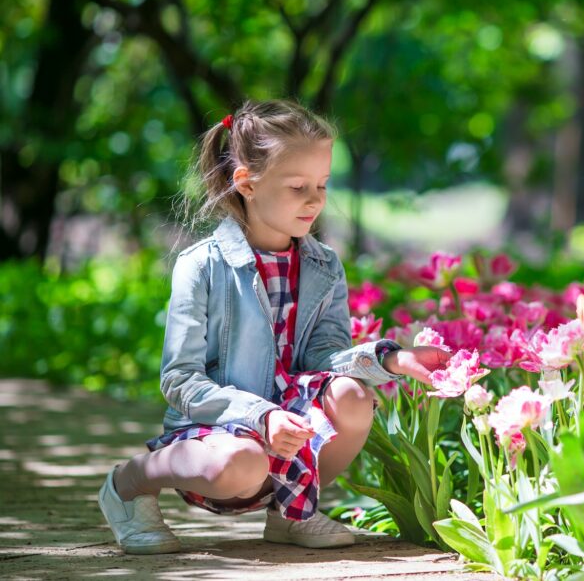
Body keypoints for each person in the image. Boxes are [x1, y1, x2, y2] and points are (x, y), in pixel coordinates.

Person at [97, 99, 450, 554]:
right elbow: (180, 379)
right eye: (298, 186)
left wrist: (390, 358)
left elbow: (324, 360)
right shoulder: (202, 265)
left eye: (322, 184)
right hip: (217, 433)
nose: (316, 200)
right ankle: (129, 482)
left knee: (352, 397)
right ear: (246, 182)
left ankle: (291, 512)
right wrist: (259, 416)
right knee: (242, 461)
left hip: (287, 432)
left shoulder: (323, 266)